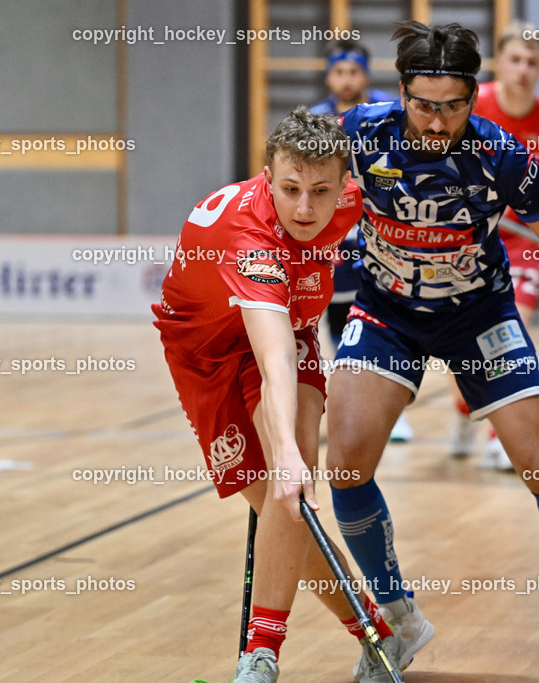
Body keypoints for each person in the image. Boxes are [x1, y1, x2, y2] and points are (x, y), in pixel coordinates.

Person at [325, 22, 539, 678]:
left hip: (479, 316)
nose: (437, 120)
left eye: (451, 105)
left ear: (475, 96)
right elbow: (281, 183)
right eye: (423, 103)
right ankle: (398, 616)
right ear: (401, 90)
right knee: (346, 462)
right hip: (387, 312)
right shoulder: (361, 132)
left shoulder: (503, 155)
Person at [154, 108, 405, 683]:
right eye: (289, 190)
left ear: (344, 184)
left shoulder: (353, 196)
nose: (304, 210)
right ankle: (380, 628)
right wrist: (285, 458)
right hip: (205, 350)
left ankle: (259, 656)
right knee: (278, 495)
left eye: (320, 192)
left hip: (289, 326)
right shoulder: (249, 237)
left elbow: (288, 348)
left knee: (287, 502)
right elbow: (271, 363)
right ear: (267, 178)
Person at [446, 20, 539, 469]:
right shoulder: (471, 105)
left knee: (507, 331)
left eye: (532, 62)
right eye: (515, 60)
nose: (523, 69)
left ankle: (496, 435)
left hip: (520, 244)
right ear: (499, 62)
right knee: (460, 341)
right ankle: (465, 411)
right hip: (465, 235)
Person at [311, 41, 413, 442]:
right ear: (328, 76)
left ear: (366, 74)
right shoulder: (316, 121)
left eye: (354, 72)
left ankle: (394, 413)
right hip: (335, 238)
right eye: (340, 72)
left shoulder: (387, 114)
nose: (347, 80)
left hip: (381, 234)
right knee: (340, 327)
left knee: (386, 323)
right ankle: (346, 412)